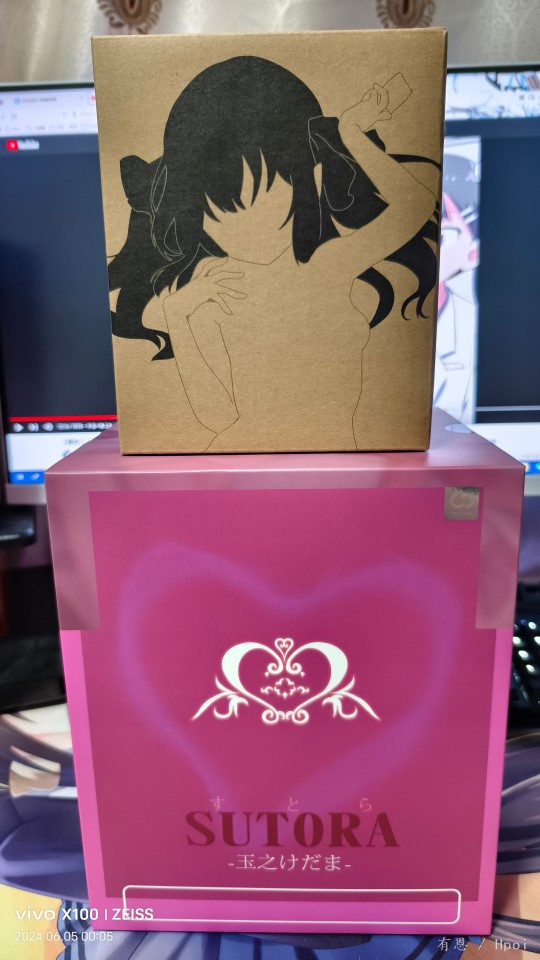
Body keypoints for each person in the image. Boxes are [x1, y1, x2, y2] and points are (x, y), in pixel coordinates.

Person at [109, 55, 439, 450]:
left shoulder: (326, 267)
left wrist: (351, 134)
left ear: (311, 175)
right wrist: (177, 315)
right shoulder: (219, 291)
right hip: (242, 470)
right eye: (217, 213)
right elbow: (217, 417)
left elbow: (415, 207)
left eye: (267, 196)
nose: (244, 227)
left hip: (335, 463)